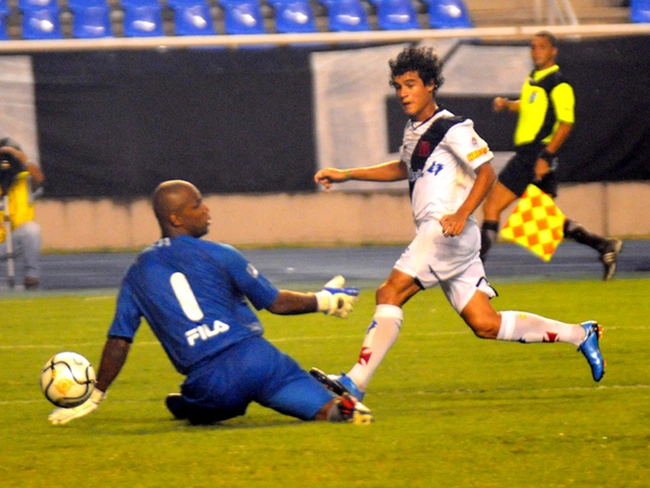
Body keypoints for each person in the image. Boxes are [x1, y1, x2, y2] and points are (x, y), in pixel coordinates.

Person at [310, 45, 605, 403]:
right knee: (486, 323)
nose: (403, 93)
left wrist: (462, 213)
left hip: (446, 230)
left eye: (411, 84)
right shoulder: (414, 129)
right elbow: (404, 168)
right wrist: (346, 174)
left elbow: (486, 172)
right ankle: (580, 333)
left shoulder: (452, 127)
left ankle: (355, 382)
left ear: (430, 85)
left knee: (390, 292)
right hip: (450, 235)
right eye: (398, 86)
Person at [48, 179, 372, 426]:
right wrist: (323, 301)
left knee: (203, 408)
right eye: (197, 205)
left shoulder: (137, 272)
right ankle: (344, 408)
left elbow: (120, 340)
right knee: (326, 411)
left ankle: (191, 404)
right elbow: (276, 303)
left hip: (211, 380)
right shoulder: (222, 253)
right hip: (260, 359)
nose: (207, 210)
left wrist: (98, 392)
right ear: (175, 218)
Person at [480, 31, 622, 281]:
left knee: (492, 206)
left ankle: (473, 271)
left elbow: (566, 123)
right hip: (531, 153)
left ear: (553, 50)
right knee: (539, 217)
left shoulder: (558, 83)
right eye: (533, 47)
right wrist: (508, 104)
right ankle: (604, 246)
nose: (536, 51)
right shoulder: (534, 79)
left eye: (542, 47)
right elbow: (529, 105)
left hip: (535, 154)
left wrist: (546, 156)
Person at [0, 137, 44, 290]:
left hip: (15, 238)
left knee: (32, 230)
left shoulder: (25, 180)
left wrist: (18, 155)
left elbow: (39, 177)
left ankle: (31, 277)